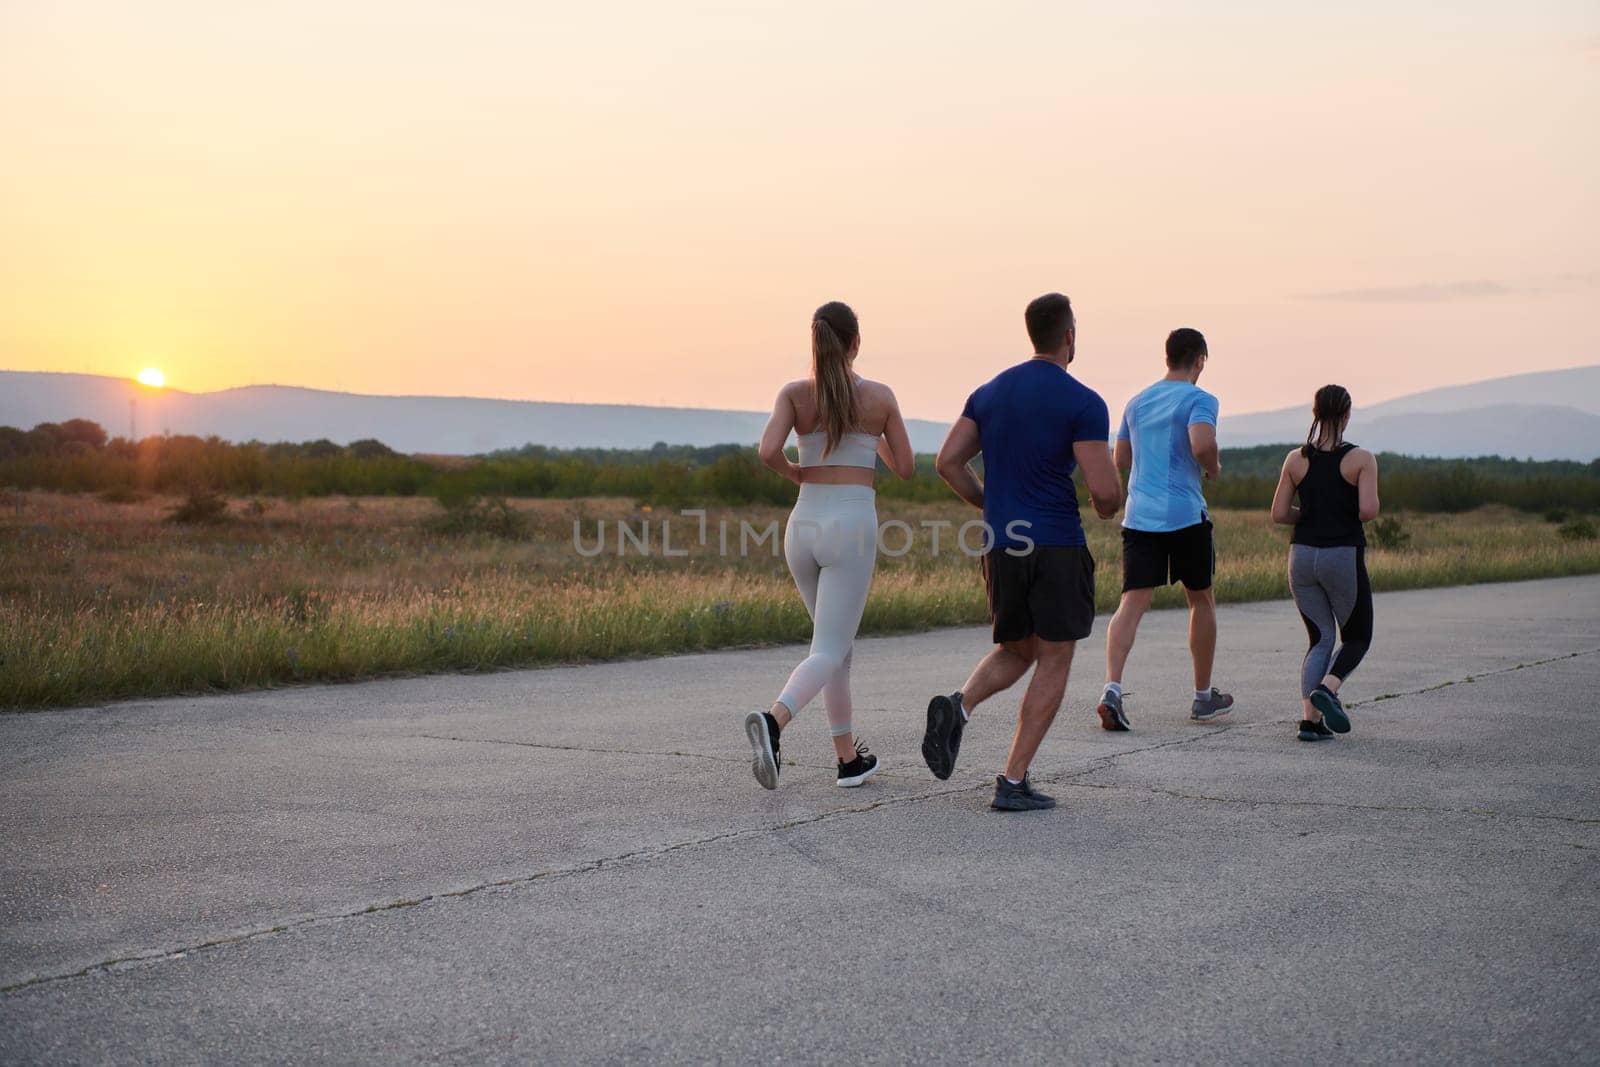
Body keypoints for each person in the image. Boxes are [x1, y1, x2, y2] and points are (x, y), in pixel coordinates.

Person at [921, 292, 1122, 811]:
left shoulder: (989, 393)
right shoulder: (1083, 401)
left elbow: (947, 462)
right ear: (1069, 335)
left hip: (1002, 543)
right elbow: (1104, 492)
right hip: (1055, 544)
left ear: (1032, 333)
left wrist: (991, 503)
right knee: (1055, 656)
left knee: (1019, 648)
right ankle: (1012, 781)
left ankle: (958, 705)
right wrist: (1107, 504)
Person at [744, 301, 916, 789]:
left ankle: (847, 759)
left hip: (802, 525)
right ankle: (773, 722)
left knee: (835, 648)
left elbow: (766, 451)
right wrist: (873, 435)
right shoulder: (879, 398)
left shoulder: (794, 394)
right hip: (851, 525)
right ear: (856, 343)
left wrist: (796, 471)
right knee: (830, 648)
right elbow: (904, 468)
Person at [1096, 328, 1233, 732]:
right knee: (1200, 601)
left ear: (1167, 357)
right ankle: (1203, 696)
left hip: (1140, 517)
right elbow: (1202, 443)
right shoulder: (1200, 399)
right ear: (1200, 360)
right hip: (1185, 516)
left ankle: (1112, 690)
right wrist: (1213, 468)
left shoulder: (1137, 401)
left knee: (1131, 604)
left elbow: (1120, 457)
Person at [1270, 384, 1379, 741]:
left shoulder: (1295, 459)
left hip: (1300, 558)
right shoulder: (1361, 459)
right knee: (1357, 636)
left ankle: (1310, 722)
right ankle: (1329, 689)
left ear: (1314, 413)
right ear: (1347, 414)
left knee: (1320, 638)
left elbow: (1279, 513)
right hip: (1341, 556)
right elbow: (1367, 510)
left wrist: (1311, 514)